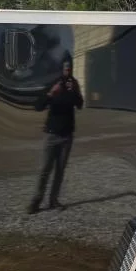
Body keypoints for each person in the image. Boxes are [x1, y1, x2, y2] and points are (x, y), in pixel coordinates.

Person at [28, 60, 83, 213]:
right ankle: (36, 201)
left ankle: (53, 200)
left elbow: (79, 104)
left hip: (67, 136)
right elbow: (38, 106)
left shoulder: (74, 85)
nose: (68, 71)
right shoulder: (54, 84)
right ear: (61, 69)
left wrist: (74, 92)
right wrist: (51, 92)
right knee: (45, 169)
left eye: (70, 68)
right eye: (65, 68)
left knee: (60, 170)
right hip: (51, 135)